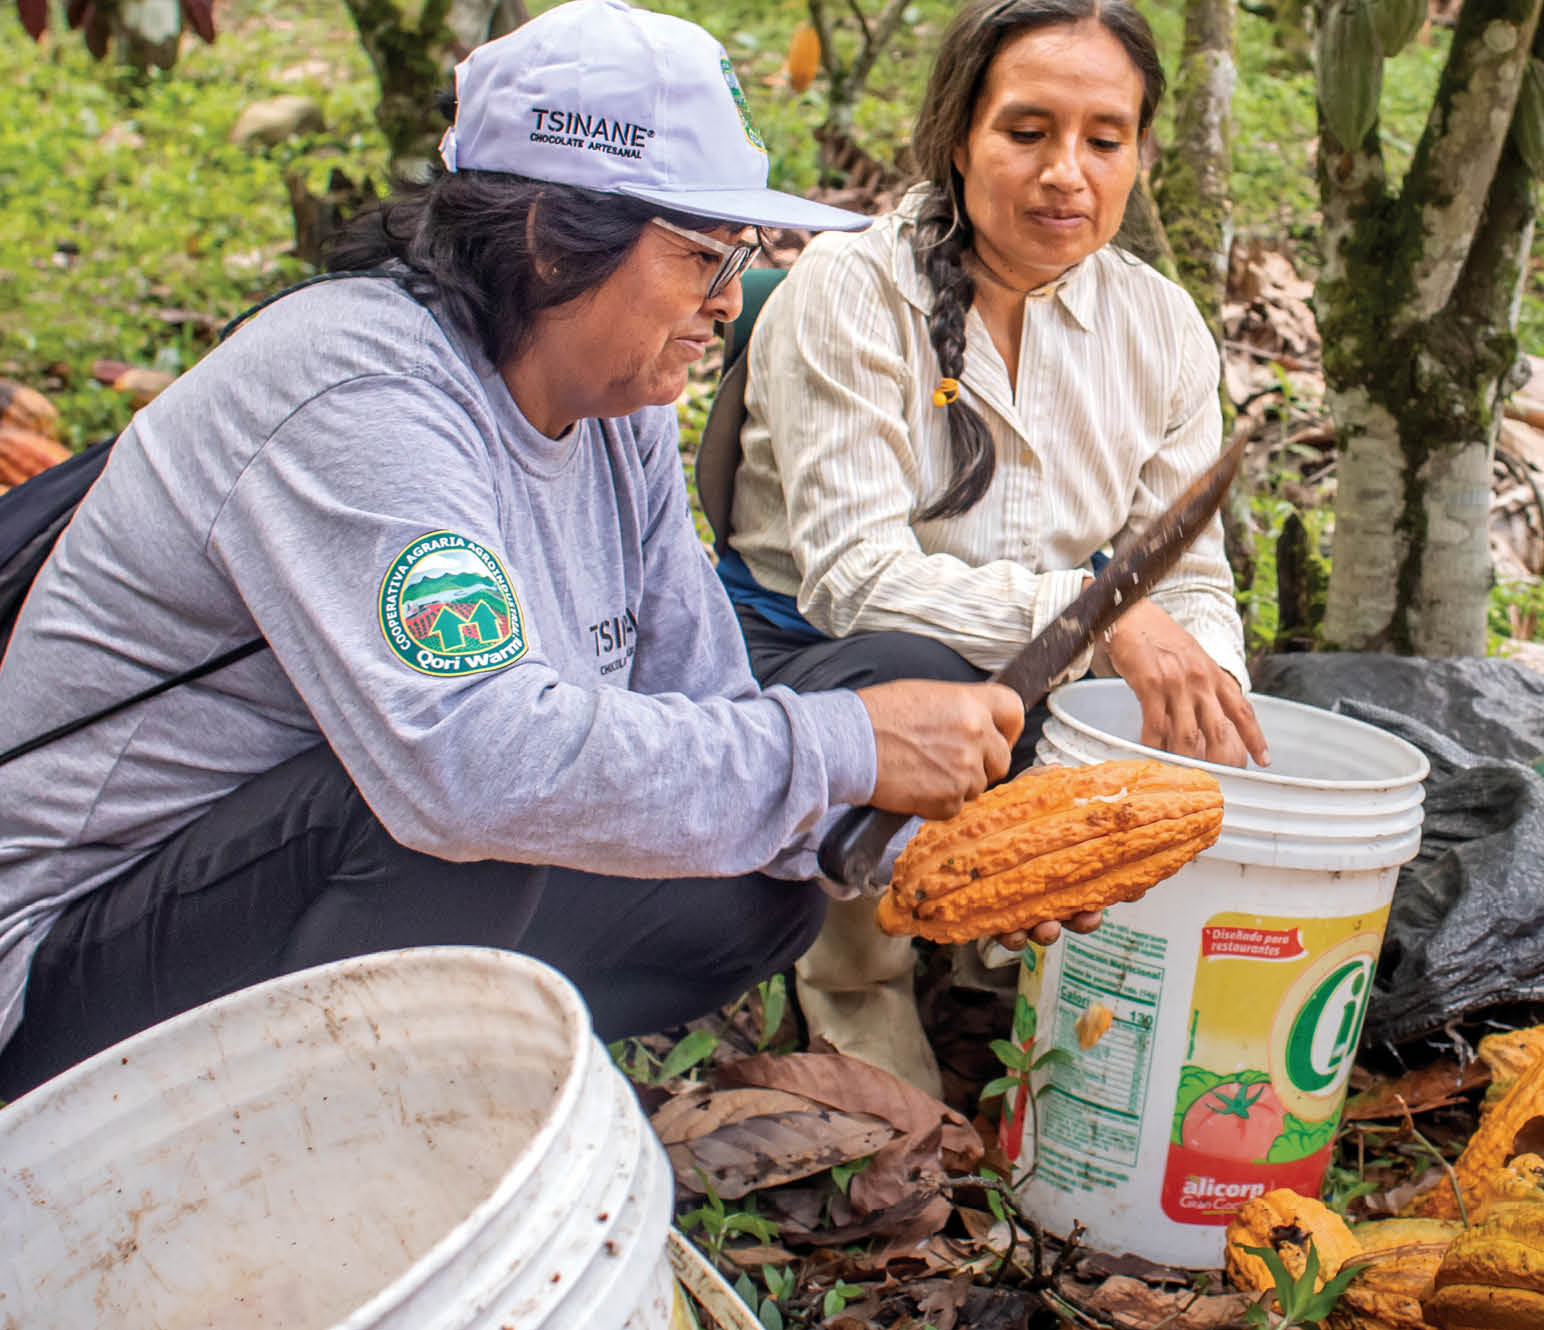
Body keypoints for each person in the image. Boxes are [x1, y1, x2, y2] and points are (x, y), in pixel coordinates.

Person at [0, 0, 1043, 1101]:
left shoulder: (615, 402)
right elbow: (468, 768)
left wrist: (922, 846)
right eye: (700, 254)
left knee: (761, 879)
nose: (726, 302)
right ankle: (324, 1135)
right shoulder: (358, 392)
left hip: (321, 884)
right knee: (464, 823)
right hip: (63, 958)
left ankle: (444, 1073)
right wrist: (836, 749)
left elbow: (703, 698)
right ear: (550, 243)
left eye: (739, 255)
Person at [719, 0, 1268, 1095]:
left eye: (1103, 139)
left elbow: (1191, 573)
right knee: (922, 671)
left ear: (1138, 154)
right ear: (958, 137)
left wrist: (1205, 695)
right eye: (1027, 132)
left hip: (1037, 663)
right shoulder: (851, 292)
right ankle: (859, 1021)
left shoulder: (1157, 326)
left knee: (1173, 716)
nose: (1067, 172)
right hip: (815, 656)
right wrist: (1109, 616)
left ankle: (1006, 983)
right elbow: (851, 582)